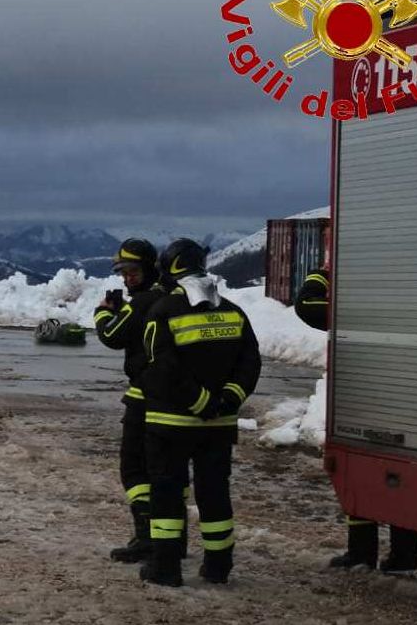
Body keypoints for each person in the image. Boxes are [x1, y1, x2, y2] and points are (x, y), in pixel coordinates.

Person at [139, 238, 260, 586]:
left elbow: (160, 368)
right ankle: (219, 566)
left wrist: (199, 401)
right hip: (218, 425)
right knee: (214, 494)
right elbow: (250, 363)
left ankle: (166, 568)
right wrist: (227, 399)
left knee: (165, 493)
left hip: (171, 424)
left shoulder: (163, 311)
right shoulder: (234, 312)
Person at [297, 267, 417, 572]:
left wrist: (322, 273)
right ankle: (405, 555)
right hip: (410, 392)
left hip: (368, 393)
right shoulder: (415, 295)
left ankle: (361, 552)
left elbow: (307, 305)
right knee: (399, 471)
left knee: (360, 469)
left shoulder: (360, 300)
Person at [92, 238, 173, 563]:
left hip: (144, 399)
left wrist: (102, 313)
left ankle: (146, 536)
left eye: (133, 271)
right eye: (123, 272)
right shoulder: (170, 298)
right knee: (167, 472)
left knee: (135, 469)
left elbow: (112, 336)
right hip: (172, 400)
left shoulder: (141, 304)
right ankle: (171, 539)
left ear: (150, 269)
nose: (127, 278)